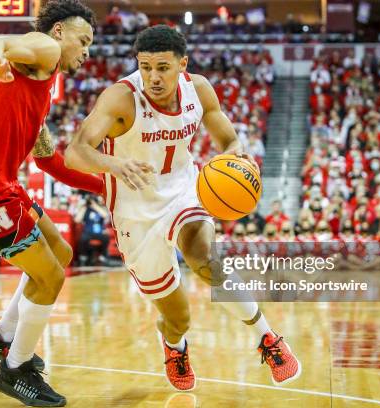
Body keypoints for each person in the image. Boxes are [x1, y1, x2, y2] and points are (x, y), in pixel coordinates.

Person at [65, 25, 301, 391]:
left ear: (182, 64)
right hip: (135, 209)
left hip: (182, 189)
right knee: (178, 317)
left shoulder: (199, 88)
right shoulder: (121, 98)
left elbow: (227, 135)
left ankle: (268, 338)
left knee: (205, 256)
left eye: (162, 67)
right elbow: (76, 151)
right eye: (145, 67)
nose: (153, 77)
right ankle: (175, 346)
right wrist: (115, 165)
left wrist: (235, 149)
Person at [0, 1, 97, 406]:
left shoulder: (42, 88)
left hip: (0, 183)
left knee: (60, 253)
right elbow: (6, 43)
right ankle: (14, 369)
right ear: (59, 31)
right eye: (84, 40)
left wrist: (106, 187)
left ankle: (1, 336)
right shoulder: (45, 48)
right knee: (51, 278)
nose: (87, 51)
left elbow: (48, 162)